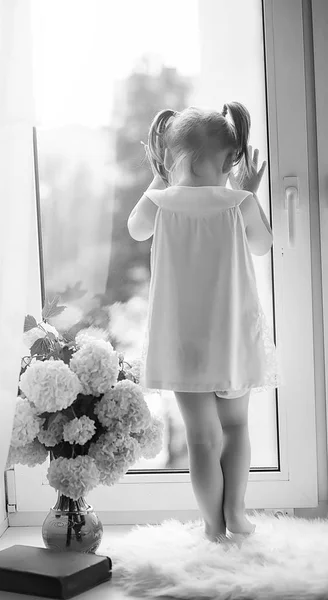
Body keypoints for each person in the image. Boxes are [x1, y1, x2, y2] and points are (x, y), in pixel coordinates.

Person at [127, 102, 281, 543]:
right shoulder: (238, 201)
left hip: (182, 344)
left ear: (170, 159)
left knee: (202, 439)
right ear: (229, 161)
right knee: (236, 427)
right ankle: (237, 511)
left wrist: (158, 178)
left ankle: (213, 526)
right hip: (232, 338)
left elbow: (137, 230)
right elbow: (262, 246)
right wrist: (250, 191)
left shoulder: (160, 200)